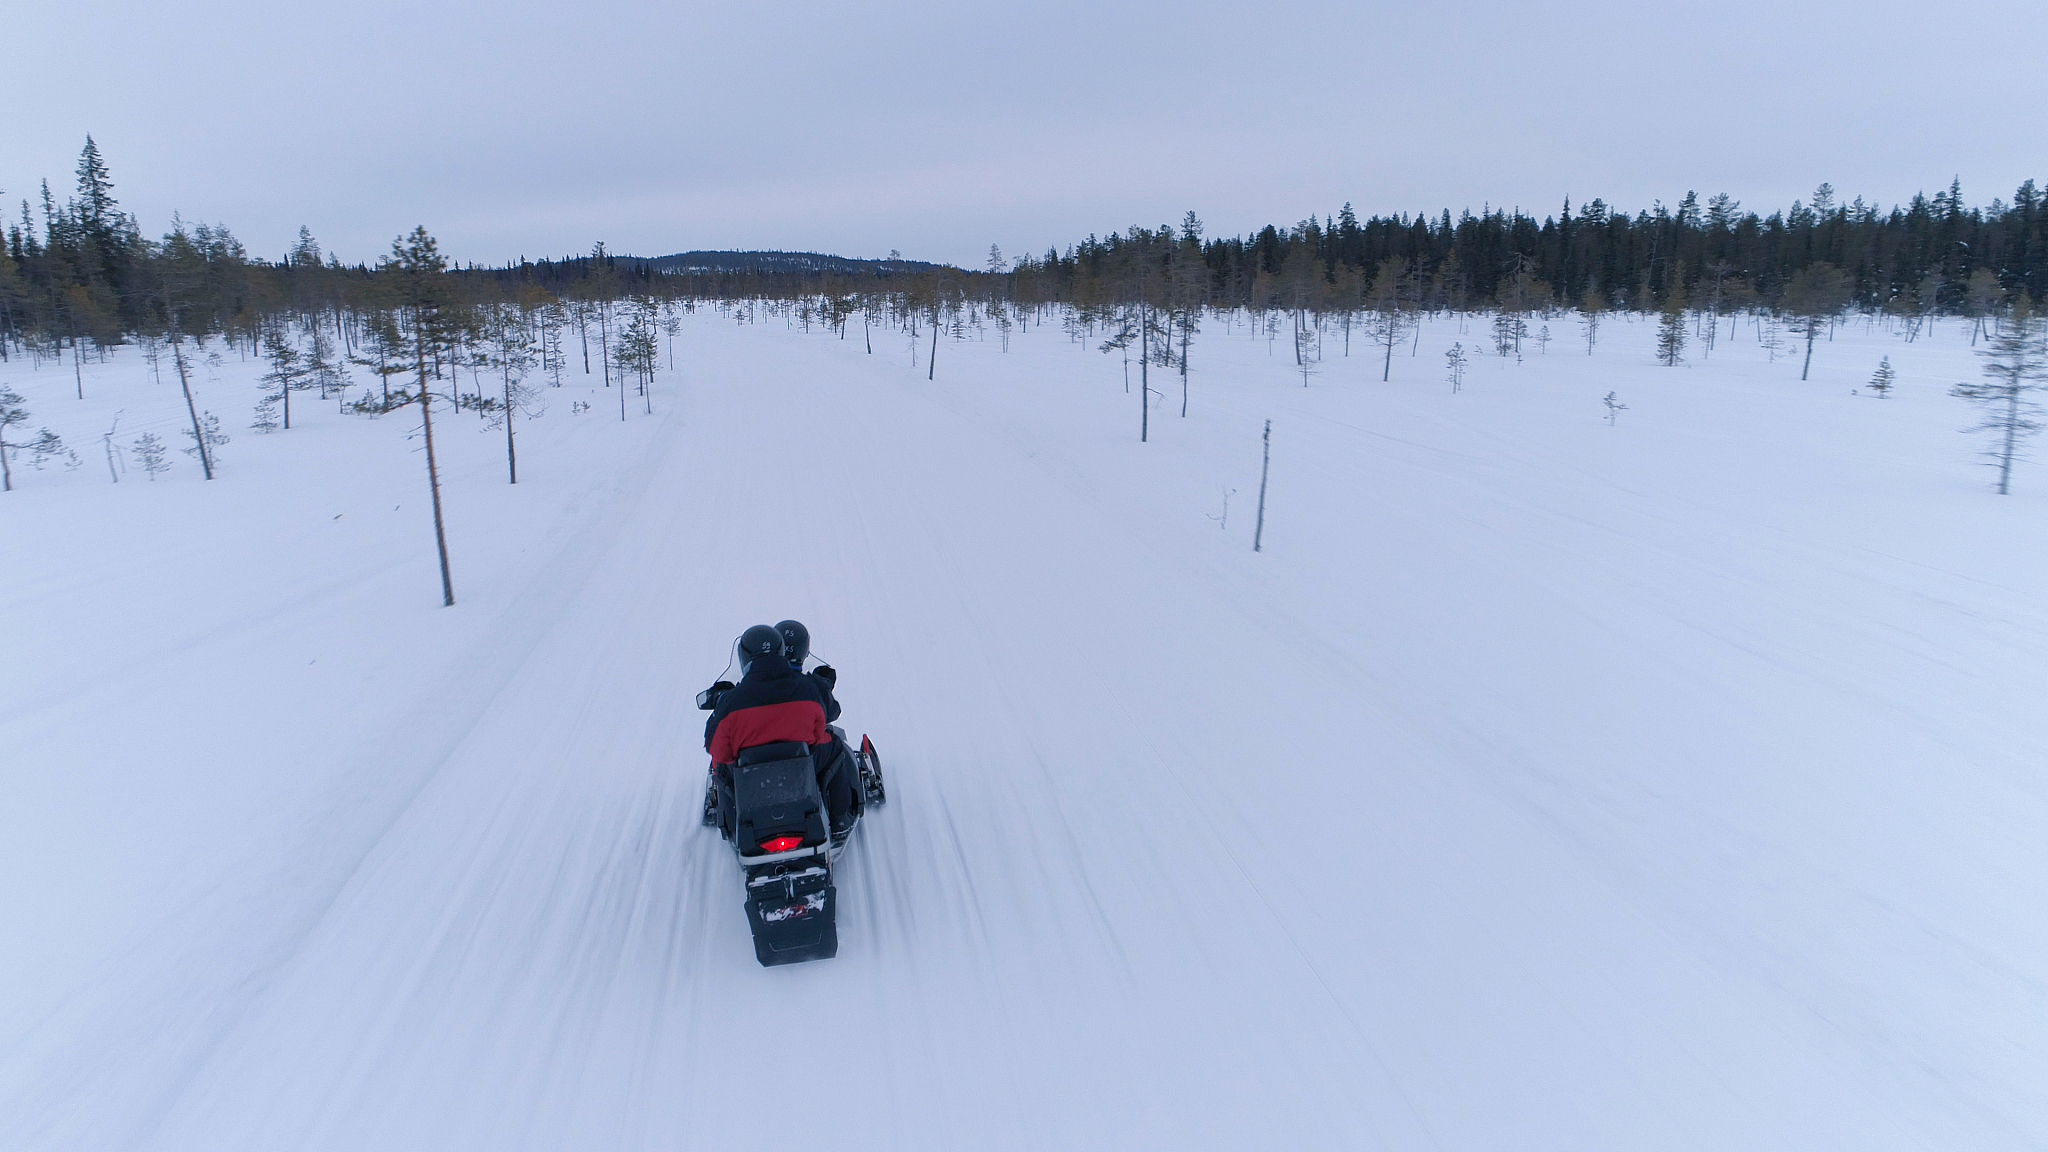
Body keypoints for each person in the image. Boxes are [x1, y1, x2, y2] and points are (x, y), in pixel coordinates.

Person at [704, 623, 857, 836]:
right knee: (835, 748)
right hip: (803, 761)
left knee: (720, 768)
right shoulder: (806, 687)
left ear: (744, 658)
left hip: (750, 772)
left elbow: (716, 748)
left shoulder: (731, 703)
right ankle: (840, 819)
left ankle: (731, 827)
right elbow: (819, 728)